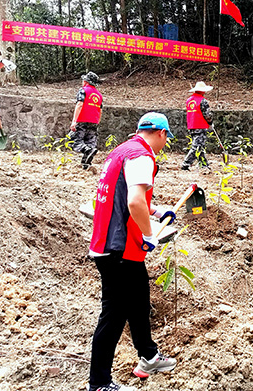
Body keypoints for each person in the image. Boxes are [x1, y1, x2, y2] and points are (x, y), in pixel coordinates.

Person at [88, 112, 178, 391]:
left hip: (111, 243)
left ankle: (149, 356)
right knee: (113, 315)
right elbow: (134, 201)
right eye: (166, 139)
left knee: (139, 300)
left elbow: (124, 193)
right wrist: (149, 234)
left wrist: (157, 209)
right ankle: (100, 383)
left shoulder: (122, 152)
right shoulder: (142, 156)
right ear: (161, 134)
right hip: (120, 248)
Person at [70, 72, 103, 170]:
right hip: (94, 121)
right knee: (90, 142)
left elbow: (80, 104)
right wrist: (97, 122)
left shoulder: (83, 90)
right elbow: (100, 110)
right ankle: (86, 164)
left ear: (85, 81)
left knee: (75, 141)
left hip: (82, 120)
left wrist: (74, 121)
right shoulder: (99, 95)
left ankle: (87, 151)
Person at [181, 82, 214, 171]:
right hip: (200, 125)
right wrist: (210, 122)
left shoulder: (189, 100)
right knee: (197, 146)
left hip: (192, 125)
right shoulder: (202, 101)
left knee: (200, 145)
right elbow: (207, 115)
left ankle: (204, 164)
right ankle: (186, 163)